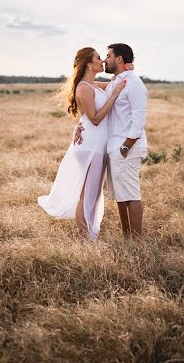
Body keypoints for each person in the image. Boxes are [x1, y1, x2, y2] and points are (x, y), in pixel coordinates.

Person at [37, 47, 128, 241]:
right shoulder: (83, 88)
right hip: (90, 147)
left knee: (92, 194)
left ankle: (87, 236)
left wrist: (128, 66)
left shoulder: (93, 85)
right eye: (97, 58)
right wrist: (112, 97)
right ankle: (84, 238)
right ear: (89, 64)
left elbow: (116, 81)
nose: (102, 60)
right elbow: (94, 119)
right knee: (87, 195)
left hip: (96, 145)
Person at [74, 43, 148, 237]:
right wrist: (81, 123)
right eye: (101, 57)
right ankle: (127, 238)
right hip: (113, 147)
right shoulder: (116, 83)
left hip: (126, 147)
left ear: (119, 59)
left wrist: (126, 147)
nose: (105, 60)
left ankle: (137, 242)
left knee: (131, 195)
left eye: (107, 56)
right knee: (121, 197)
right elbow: (88, 87)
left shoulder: (133, 84)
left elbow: (139, 120)